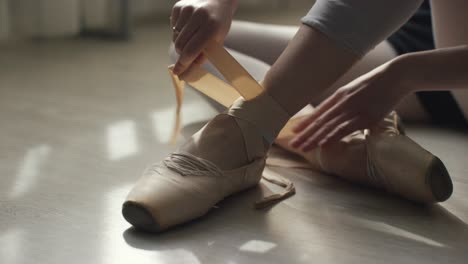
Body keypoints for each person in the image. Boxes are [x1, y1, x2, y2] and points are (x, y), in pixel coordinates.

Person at [122, 0, 468, 231]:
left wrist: (406, 74)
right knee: (194, 50)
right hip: (411, 35)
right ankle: (336, 146)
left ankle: (249, 130)